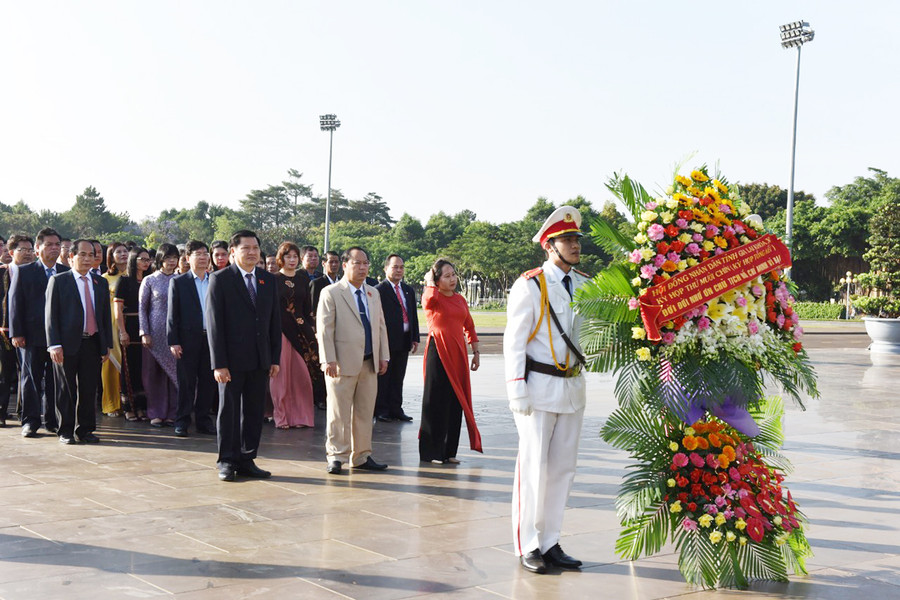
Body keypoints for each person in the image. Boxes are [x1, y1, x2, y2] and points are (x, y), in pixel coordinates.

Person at [504, 205, 589, 574]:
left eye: (576, 239)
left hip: (571, 388)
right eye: (567, 240)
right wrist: (516, 389)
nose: (574, 245)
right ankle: (528, 543)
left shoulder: (584, 284)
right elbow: (514, 341)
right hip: (537, 388)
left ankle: (551, 540)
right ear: (549, 246)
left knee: (562, 470)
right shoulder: (531, 284)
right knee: (533, 467)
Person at [207, 230, 281, 482]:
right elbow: (214, 324)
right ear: (233, 252)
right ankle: (226, 459)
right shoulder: (220, 279)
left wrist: (274, 358)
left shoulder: (267, 280)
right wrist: (219, 363)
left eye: (255, 248)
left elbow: (274, 322)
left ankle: (247, 458)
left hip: (260, 359)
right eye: (246, 248)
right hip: (230, 361)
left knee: (253, 411)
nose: (251, 252)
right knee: (228, 410)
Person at [317, 247, 390, 475]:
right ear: (345, 265)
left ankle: (361, 456)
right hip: (340, 363)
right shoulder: (331, 293)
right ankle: (336, 456)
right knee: (338, 413)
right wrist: (328, 359)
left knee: (365, 412)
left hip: (369, 362)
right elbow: (325, 329)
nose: (362, 268)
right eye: (357, 263)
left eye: (365, 263)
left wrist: (383, 355)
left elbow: (380, 326)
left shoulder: (373, 293)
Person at [46, 239, 113, 444]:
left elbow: (104, 316)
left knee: (89, 388)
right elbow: (51, 316)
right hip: (66, 344)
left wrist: (106, 345)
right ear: (71, 256)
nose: (86, 259)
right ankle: (65, 430)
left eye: (91, 255)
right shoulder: (59, 281)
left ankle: (85, 429)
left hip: (92, 343)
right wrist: (54, 344)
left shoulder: (99, 282)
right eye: (82, 254)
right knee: (66, 389)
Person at [419, 259, 481, 463]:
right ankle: (431, 452)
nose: (452, 279)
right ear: (436, 280)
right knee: (435, 402)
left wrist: (475, 352)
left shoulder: (460, 300)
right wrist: (429, 282)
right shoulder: (433, 298)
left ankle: (448, 452)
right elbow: (428, 299)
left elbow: (469, 326)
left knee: (456, 403)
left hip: (459, 354)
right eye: (447, 276)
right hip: (439, 351)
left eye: (453, 274)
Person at [9, 229, 68, 437]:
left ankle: (53, 420)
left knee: (56, 381)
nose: (54, 248)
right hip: (31, 336)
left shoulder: (65, 272)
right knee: (30, 379)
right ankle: (31, 421)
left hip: (58, 338)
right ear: (37, 248)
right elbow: (15, 304)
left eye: (57, 245)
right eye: (49, 244)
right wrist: (16, 332)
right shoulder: (24, 271)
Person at [167, 240, 217, 437]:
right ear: (187, 258)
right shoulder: (179, 282)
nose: (204, 257)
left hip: (211, 340)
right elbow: (172, 315)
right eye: (199, 254)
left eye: (206, 253)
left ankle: (204, 421)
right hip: (187, 340)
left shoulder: (215, 280)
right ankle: (182, 421)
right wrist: (174, 341)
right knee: (186, 383)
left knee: (207, 382)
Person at [269, 242, 316, 429]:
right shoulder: (272, 279)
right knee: (280, 378)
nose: (292, 260)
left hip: (302, 333)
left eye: (295, 257)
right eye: (288, 256)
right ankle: (281, 417)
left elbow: (307, 308)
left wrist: (312, 330)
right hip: (280, 332)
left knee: (302, 377)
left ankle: (301, 417)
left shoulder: (304, 279)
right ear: (281, 258)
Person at [375, 254, 420, 422]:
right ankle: (381, 409)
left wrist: (415, 337)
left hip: (404, 339)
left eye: (401, 267)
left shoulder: (408, 290)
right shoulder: (379, 290)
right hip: (386, 341)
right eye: (395, 267)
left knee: (398, 376)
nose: (399, 270)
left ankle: (396, 408)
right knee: (384, 377)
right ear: (386, 268)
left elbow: (413, 315)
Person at [139, 243, 179, 427]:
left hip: (175, 333)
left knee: (175, 374)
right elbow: (142, 308)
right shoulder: (150, 280)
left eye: (174, 257)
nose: (172, 261)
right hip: (154, 333)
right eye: (168, 258)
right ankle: (155, 413)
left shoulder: (182, 280)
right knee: (153, 374)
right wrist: (144, 332)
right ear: (160, 259)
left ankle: (172, 413)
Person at [115, 247, 151, 421]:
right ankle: (129, 406)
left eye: (148, 259)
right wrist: (122, 331)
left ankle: (142, 406)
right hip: (129, 325)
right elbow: (118, 309)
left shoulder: (150, 280)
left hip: (147, 328)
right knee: (129, 368)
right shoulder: (124, 281)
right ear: (133, 259)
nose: (146, 262)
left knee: (143, 368)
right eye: (142, 259)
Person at [100, 242, 128, 417]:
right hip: (110, 324)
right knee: (110, 364)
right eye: (118, 252)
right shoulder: (104, 278)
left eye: (126, 251)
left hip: (130, 323)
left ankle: (129, 402)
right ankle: (111, 404)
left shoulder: (134, 275)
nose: (123, 254)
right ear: (111, 256)